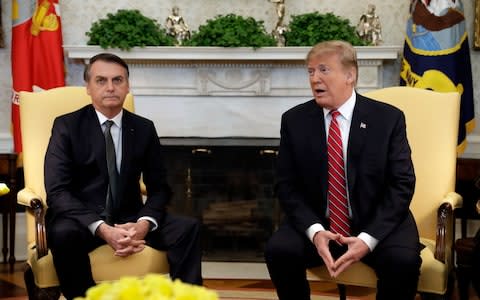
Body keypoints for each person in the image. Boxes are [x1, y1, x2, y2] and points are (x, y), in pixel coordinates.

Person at [264, 40, 422, 300]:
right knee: (279, 250)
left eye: (324, 70)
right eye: (311, 71)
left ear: (350, 75)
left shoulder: (388, 119)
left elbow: (402, 184)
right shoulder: (294, 121)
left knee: (402, 261)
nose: (315, 78)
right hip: (320, 221)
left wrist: (368, 239)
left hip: (378, 220)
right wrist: (315, 232)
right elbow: (286, 185)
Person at [44, 53, 203, 299]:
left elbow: (159, 187)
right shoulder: (67, 126)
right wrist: (103, 229)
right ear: (87, 87)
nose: (110, 87)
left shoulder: (143, 128)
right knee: (63, 234)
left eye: (118, 80)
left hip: (130, 218)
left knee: (187, 228)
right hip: (82, 220)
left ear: (127, 86)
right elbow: (57, 192)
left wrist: (143, 224)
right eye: (101, 80)